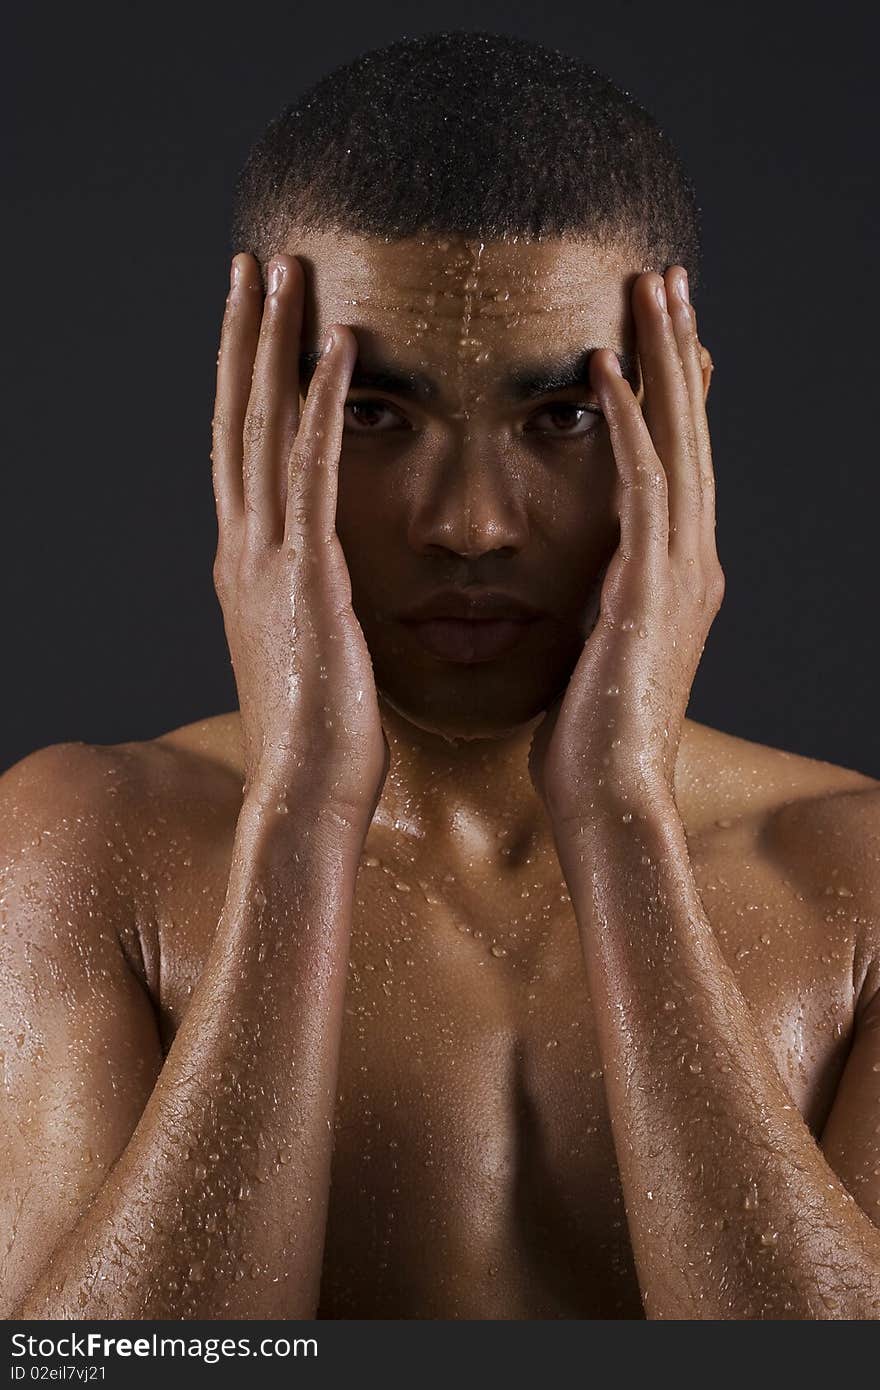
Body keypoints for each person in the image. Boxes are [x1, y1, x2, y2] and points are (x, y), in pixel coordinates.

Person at [2, 30, 879, 1322]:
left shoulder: (856, 883)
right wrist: (298, 817)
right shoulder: (77, 848)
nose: (470, 522)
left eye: (562, 415)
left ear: (679, 423)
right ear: (250, 416)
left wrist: (626, 821)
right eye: (373, 412)